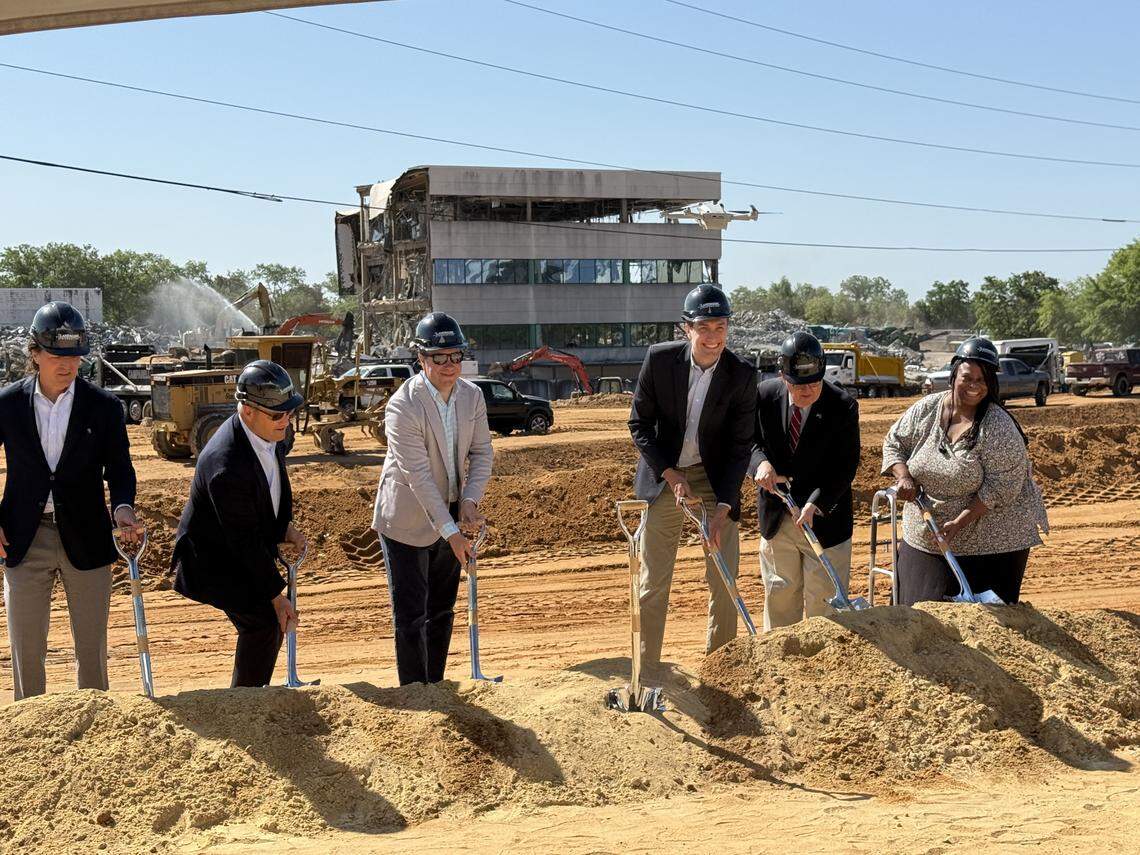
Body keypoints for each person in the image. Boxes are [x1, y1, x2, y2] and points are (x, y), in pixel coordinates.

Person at [0, 301, 141, 701]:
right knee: (26, 651)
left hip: (88, 537)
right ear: (34, 353)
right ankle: (29, 731)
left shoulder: (105, 407)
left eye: (75, 356)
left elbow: (120, 469)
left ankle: (95, 727)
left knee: (92, 650)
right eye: (58, 356)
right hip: (23, 539)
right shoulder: (7, 405)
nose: (68, 365)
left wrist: (123, 508)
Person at [628, 284, 758, 668]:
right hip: (666, 477)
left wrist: (723, 507)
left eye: (720, 327)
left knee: (723, 575)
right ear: (686, 328)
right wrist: (670, 475)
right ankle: (646, 668)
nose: (713, 337)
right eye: (704, 328)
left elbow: (739, 446)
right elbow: (639, 424)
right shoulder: (659, 360)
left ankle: (721, 666)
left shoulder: (742, 374)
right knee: (653, 581)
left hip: (713, 477)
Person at [372, 312, 493, 685]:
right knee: (411, 616)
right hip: (407, 519)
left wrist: (470, 502)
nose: (449, 365)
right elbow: (419, 477)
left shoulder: (472, 397)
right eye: (439, 357)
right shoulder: (403, 406)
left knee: (442, 610)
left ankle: (435, 688)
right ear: (421, 359)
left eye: (455, 356)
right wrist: (452, 533)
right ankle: (414, 695)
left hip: (452, 513)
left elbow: (482, 453)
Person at [882, 337, 1048, 605]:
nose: (974, 386)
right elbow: (894, 442)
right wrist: (904, 476)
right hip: (927, 531)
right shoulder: (928, 408)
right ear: (953, 375)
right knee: (913, 610)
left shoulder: (998, 427)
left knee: (976, 626)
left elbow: (1001, 487)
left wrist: (959, 522)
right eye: (967, 377)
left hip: (992, 541)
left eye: (982, 380)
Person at [172, 360, 307, 687]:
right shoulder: (226, 465)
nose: (286, 421)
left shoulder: (269, 432)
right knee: (264, 620)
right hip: (212, 560)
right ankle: (243, 703)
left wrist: (284, 526)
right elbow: (242, 539)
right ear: (247, 410)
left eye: (290, 412)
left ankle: (250, 693)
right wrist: (277, 595)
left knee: (268, 623)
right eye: (278, 415)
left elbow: (269, 487)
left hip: (240, 547)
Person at [751, 331, 860, 631]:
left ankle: (823, 671)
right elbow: (749, 442)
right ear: (783, 377)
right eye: (799, 386)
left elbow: (846, 465)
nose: (807, 392)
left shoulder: (843, 405)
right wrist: (760, 464)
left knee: (824, 604)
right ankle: (780, 667)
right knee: (779, 597)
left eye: (814, 384)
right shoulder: (764, 396)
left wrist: (817, 503)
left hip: (824, 522)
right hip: (777, 517)